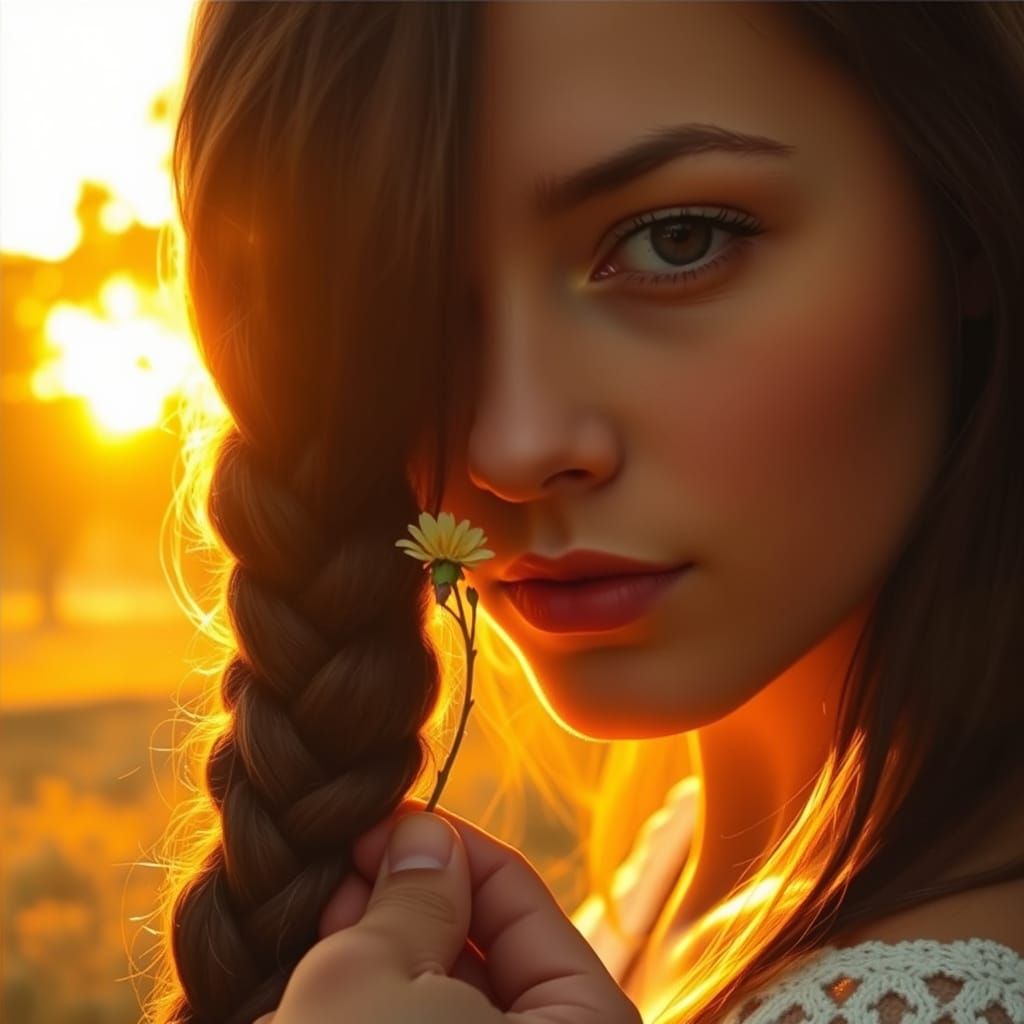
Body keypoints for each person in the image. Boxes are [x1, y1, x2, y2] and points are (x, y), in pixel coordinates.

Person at [143, 3, 1024, 1023]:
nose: (506, 448)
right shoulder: (688, 853)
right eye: (401, 294)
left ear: (964, 211)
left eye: (673, 240)